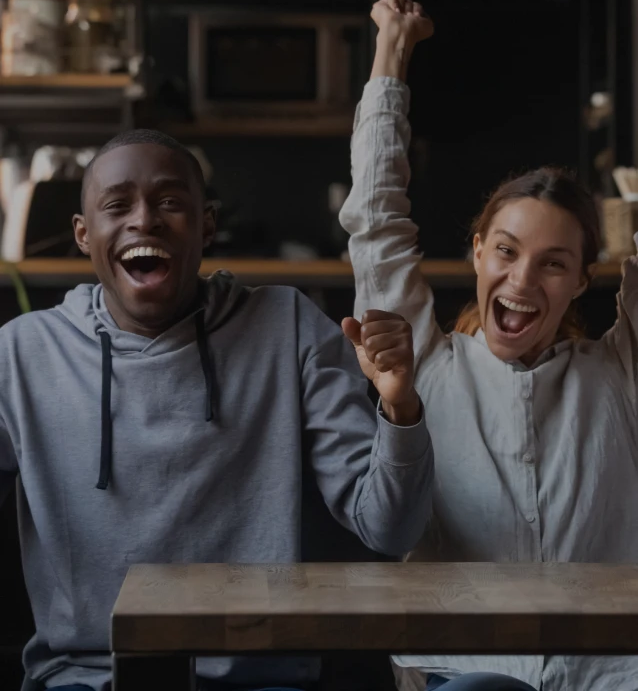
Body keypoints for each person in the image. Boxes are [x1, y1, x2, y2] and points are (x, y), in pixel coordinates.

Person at [0, 129, 434, 691]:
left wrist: (399, 405)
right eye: (117, 205)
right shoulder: (20, 354)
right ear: (84, 235)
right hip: (87, 679)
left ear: (206, 224)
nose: (145, 220)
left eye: (170, 202)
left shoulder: (290, 327)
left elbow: (389, 530)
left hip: (259, 679)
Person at [339, 0, 638, 691]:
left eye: (553, 263)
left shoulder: (618, 377)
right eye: (506, 250)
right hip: (463, 674)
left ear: (580, 282)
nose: (523, 278)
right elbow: (377, 220)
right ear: (477, 254)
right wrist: (392, 49)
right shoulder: (425, 365)